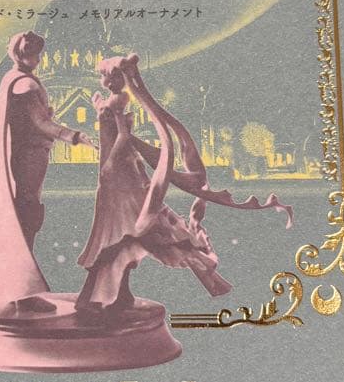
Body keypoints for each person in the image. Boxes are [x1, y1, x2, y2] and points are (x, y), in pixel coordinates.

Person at [76, 55, 292, 313]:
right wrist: (99, 107)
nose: (108, 81)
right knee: (123, 230)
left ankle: (105, 297)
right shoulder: (112, 100)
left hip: (120, 171)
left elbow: (123, 135)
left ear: (121, 78)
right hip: (116, 172)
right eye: (105, 76)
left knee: (129, 228)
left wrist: (110, 163)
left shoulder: (119, 99)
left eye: (113, 76)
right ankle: (117, 295)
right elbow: (113, 130)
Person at [0, 31, 96, 312]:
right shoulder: (25, 85)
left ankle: (15, 289)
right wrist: (75, 136)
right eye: (35, 54)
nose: (39, 59)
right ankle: (23, 293)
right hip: (28, 157)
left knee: (25, 217)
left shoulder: (12, 78)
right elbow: (41, 123)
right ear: (26, 55)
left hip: (27, 156)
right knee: (27, 218)